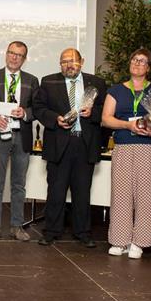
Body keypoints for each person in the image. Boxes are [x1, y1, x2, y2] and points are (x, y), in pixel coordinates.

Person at [101, 48, 151, 259]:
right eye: (134, 59)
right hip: (123, 146)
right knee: (121, 194)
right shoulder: (116, 91)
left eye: (142, 61)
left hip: (150, 148)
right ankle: (120, 240)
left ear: (148, 67)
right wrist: (128, 125)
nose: (137, 63)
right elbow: (106, 119)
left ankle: (140, 242)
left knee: (146, 195)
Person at [32, 47, 106, 247]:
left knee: (82, 191)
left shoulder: (96, 83)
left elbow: (106, 110)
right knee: (56, 191)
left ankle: (83, 232)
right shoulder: (48, 81)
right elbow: (38, 108)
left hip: (84, 143)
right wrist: (55, 119)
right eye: (64, 62)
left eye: (72, 61)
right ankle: (51, 231)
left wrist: (93, 113)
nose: (69, 65)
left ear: (81, 62)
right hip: (59, 143)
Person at [0, 41, 39, 242]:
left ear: (24, 59)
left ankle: (16, 226)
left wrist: (25, 113)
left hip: (22, 137)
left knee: (19, 185)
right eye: (11, 53)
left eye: (19, 55)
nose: (14, 57)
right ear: (6, 54)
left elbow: (38, 108)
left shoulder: (32, 80)